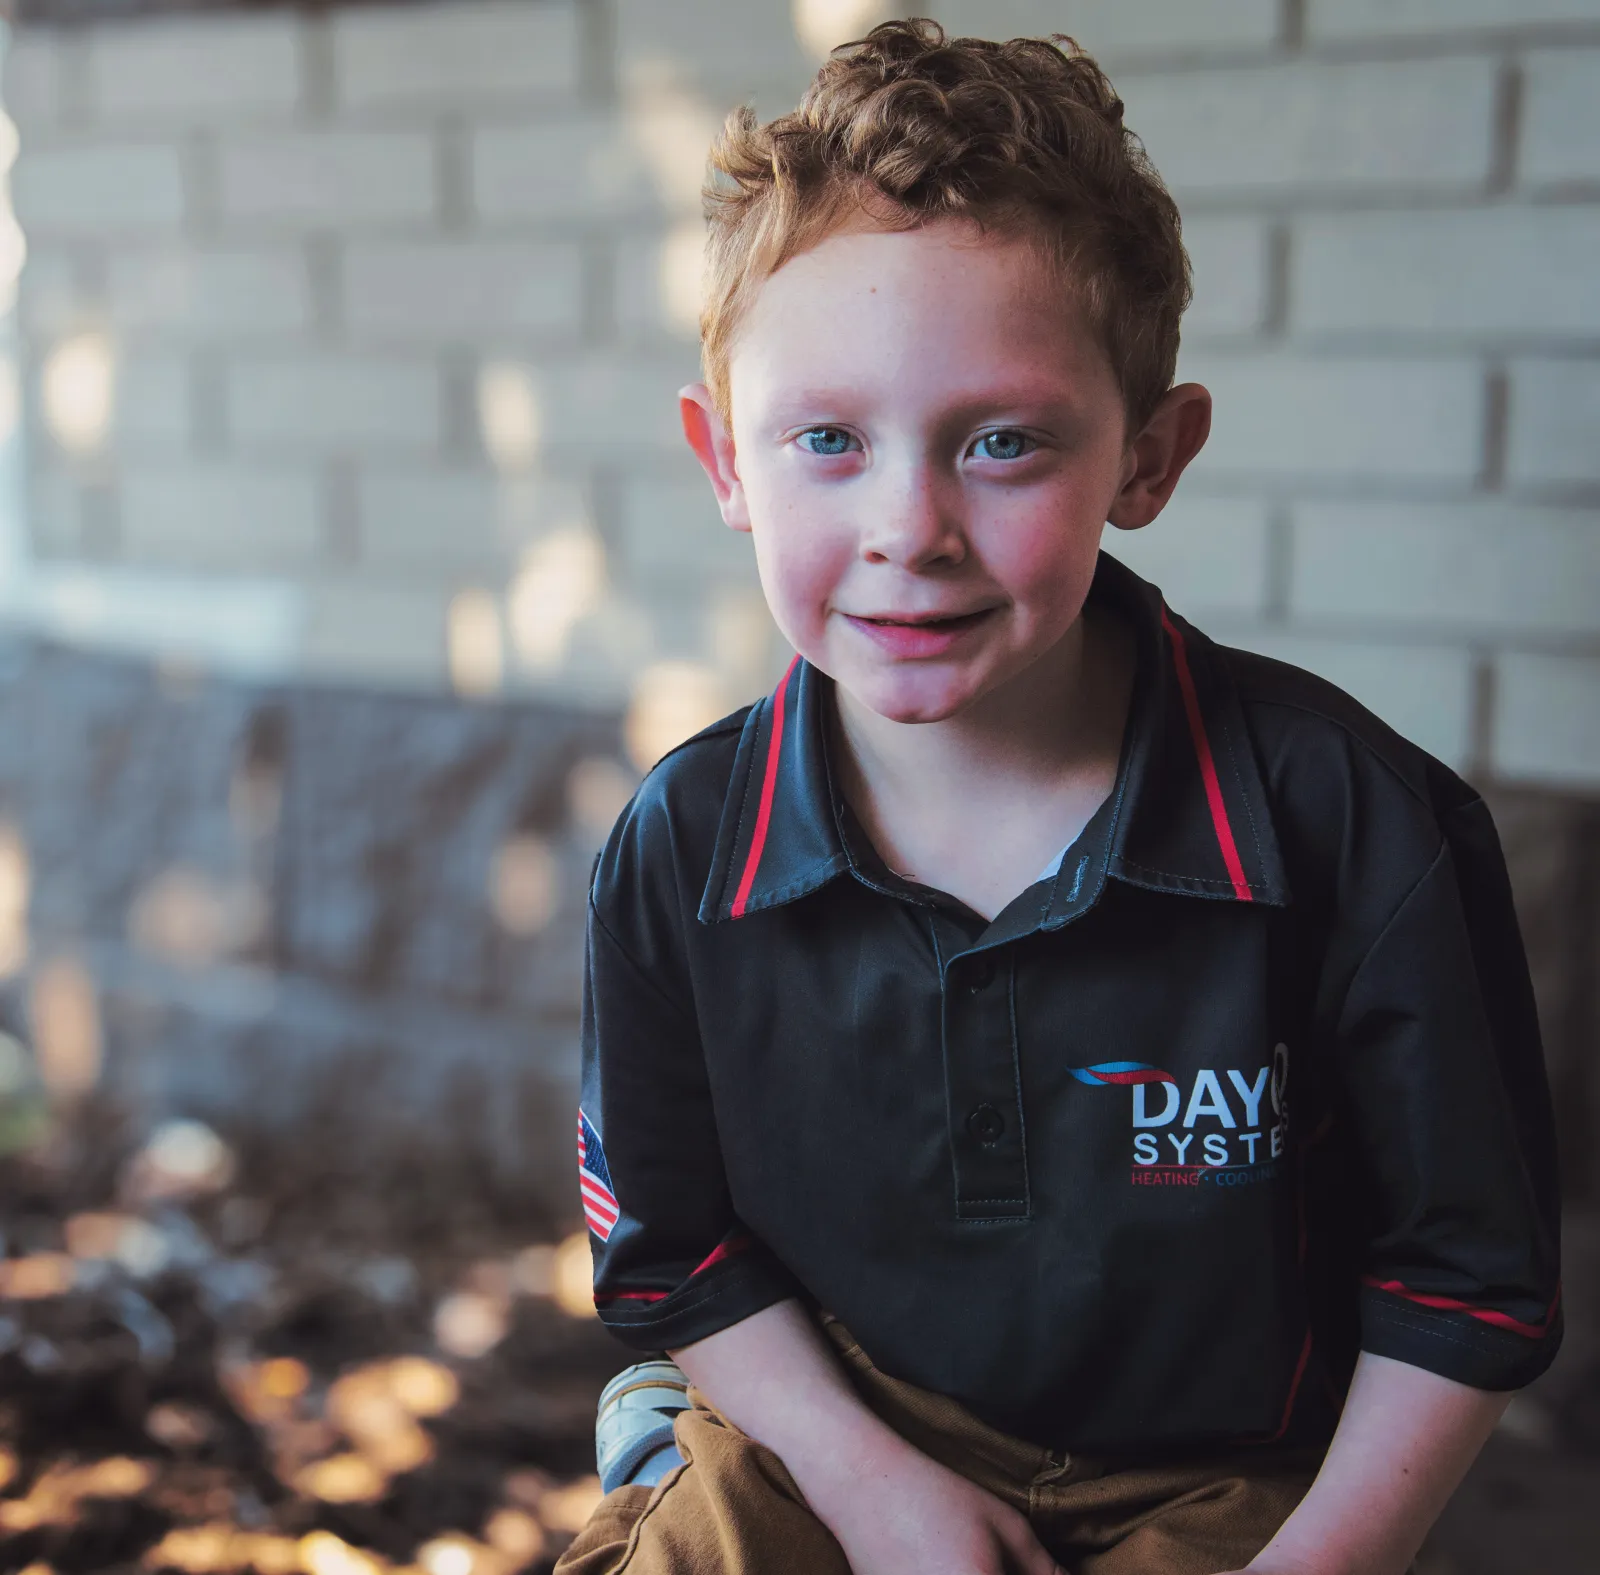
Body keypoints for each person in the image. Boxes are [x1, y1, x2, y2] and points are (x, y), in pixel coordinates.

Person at [557, 20, 1561, 1575]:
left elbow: (1467, 1283)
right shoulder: (682, 848)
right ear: (725, 464)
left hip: (1226, 1472)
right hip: (834, 1428)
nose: (910, 526)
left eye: (1004, 442)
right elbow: (672, 1249)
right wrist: (876, 1486)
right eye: (826, 438)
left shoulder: (1360, 826)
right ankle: (663, 1442)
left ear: (1149, 458)